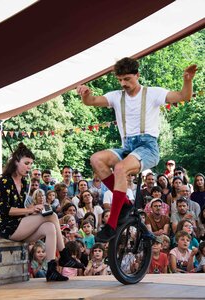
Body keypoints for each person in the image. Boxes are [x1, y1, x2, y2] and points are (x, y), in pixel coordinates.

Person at [77, 57, 197, 241]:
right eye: (120, 80)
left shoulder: (152, 93)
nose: (123, 83)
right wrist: (85, 94)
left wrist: (187, 80)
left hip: (148, 147)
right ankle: (124, 204)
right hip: (127, 147)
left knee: (119, 168)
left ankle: (111, 224)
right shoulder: (116, 96)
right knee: (96, 159)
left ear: (137, 75)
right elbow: (91, 101)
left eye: (127, 79)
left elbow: (184, 96)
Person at [0, 142, 84, 282]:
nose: (29, 167)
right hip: (8, 228)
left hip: (21, 224)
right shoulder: (4, 180)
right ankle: (65, 255)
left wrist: (34, 210)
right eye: (26, 163)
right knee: (52, 215)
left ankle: (51, 269)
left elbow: (22, 209)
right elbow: (4, 210)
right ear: (16, 161)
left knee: (49, 227)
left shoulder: (24, 182)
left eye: (31, 164)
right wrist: (30, 210)